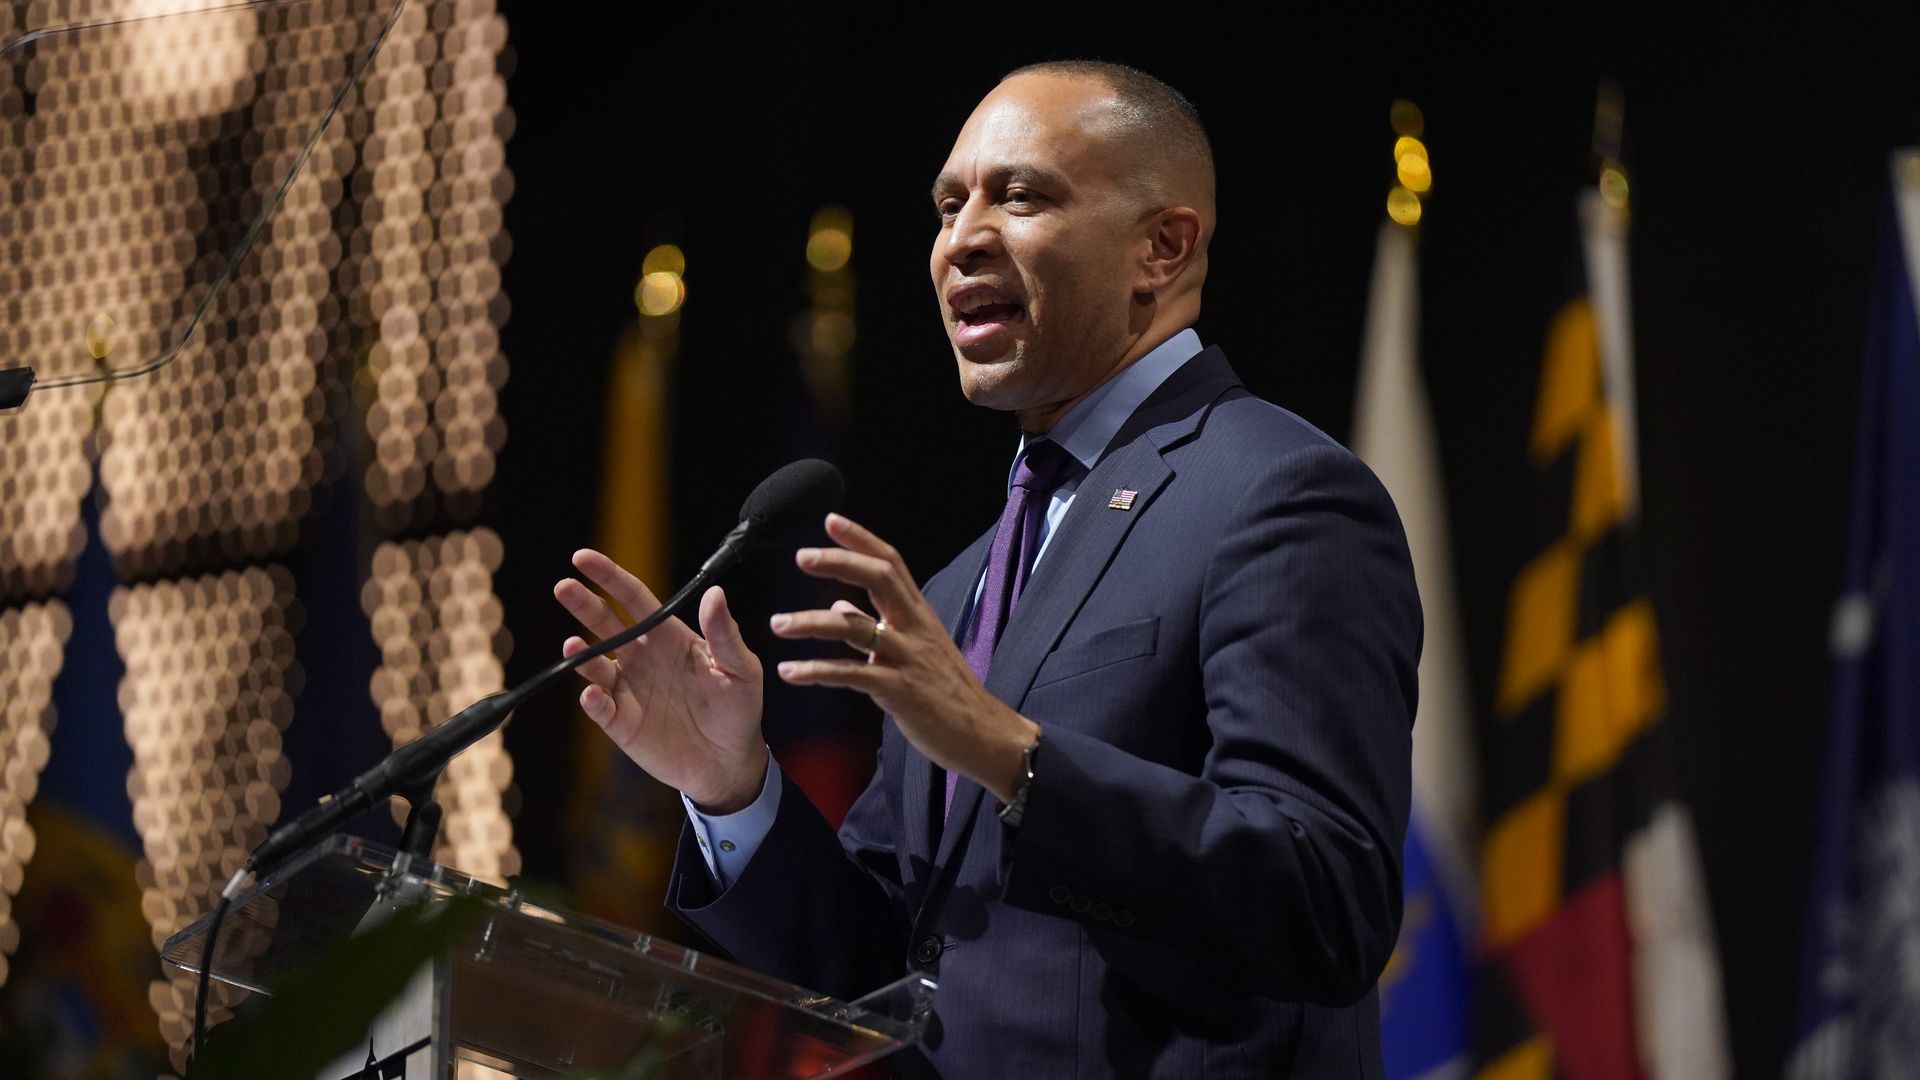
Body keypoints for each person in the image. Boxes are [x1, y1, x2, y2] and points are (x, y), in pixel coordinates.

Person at [554, 60, 1421, 1078]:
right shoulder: (964, 584)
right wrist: (731, 785)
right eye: (948, 204)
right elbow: (875, 960)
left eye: (1021, 196)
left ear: (1163, 246)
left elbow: (1326, 902)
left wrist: (1011, 753)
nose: (962, 239)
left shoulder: (1281, 495)